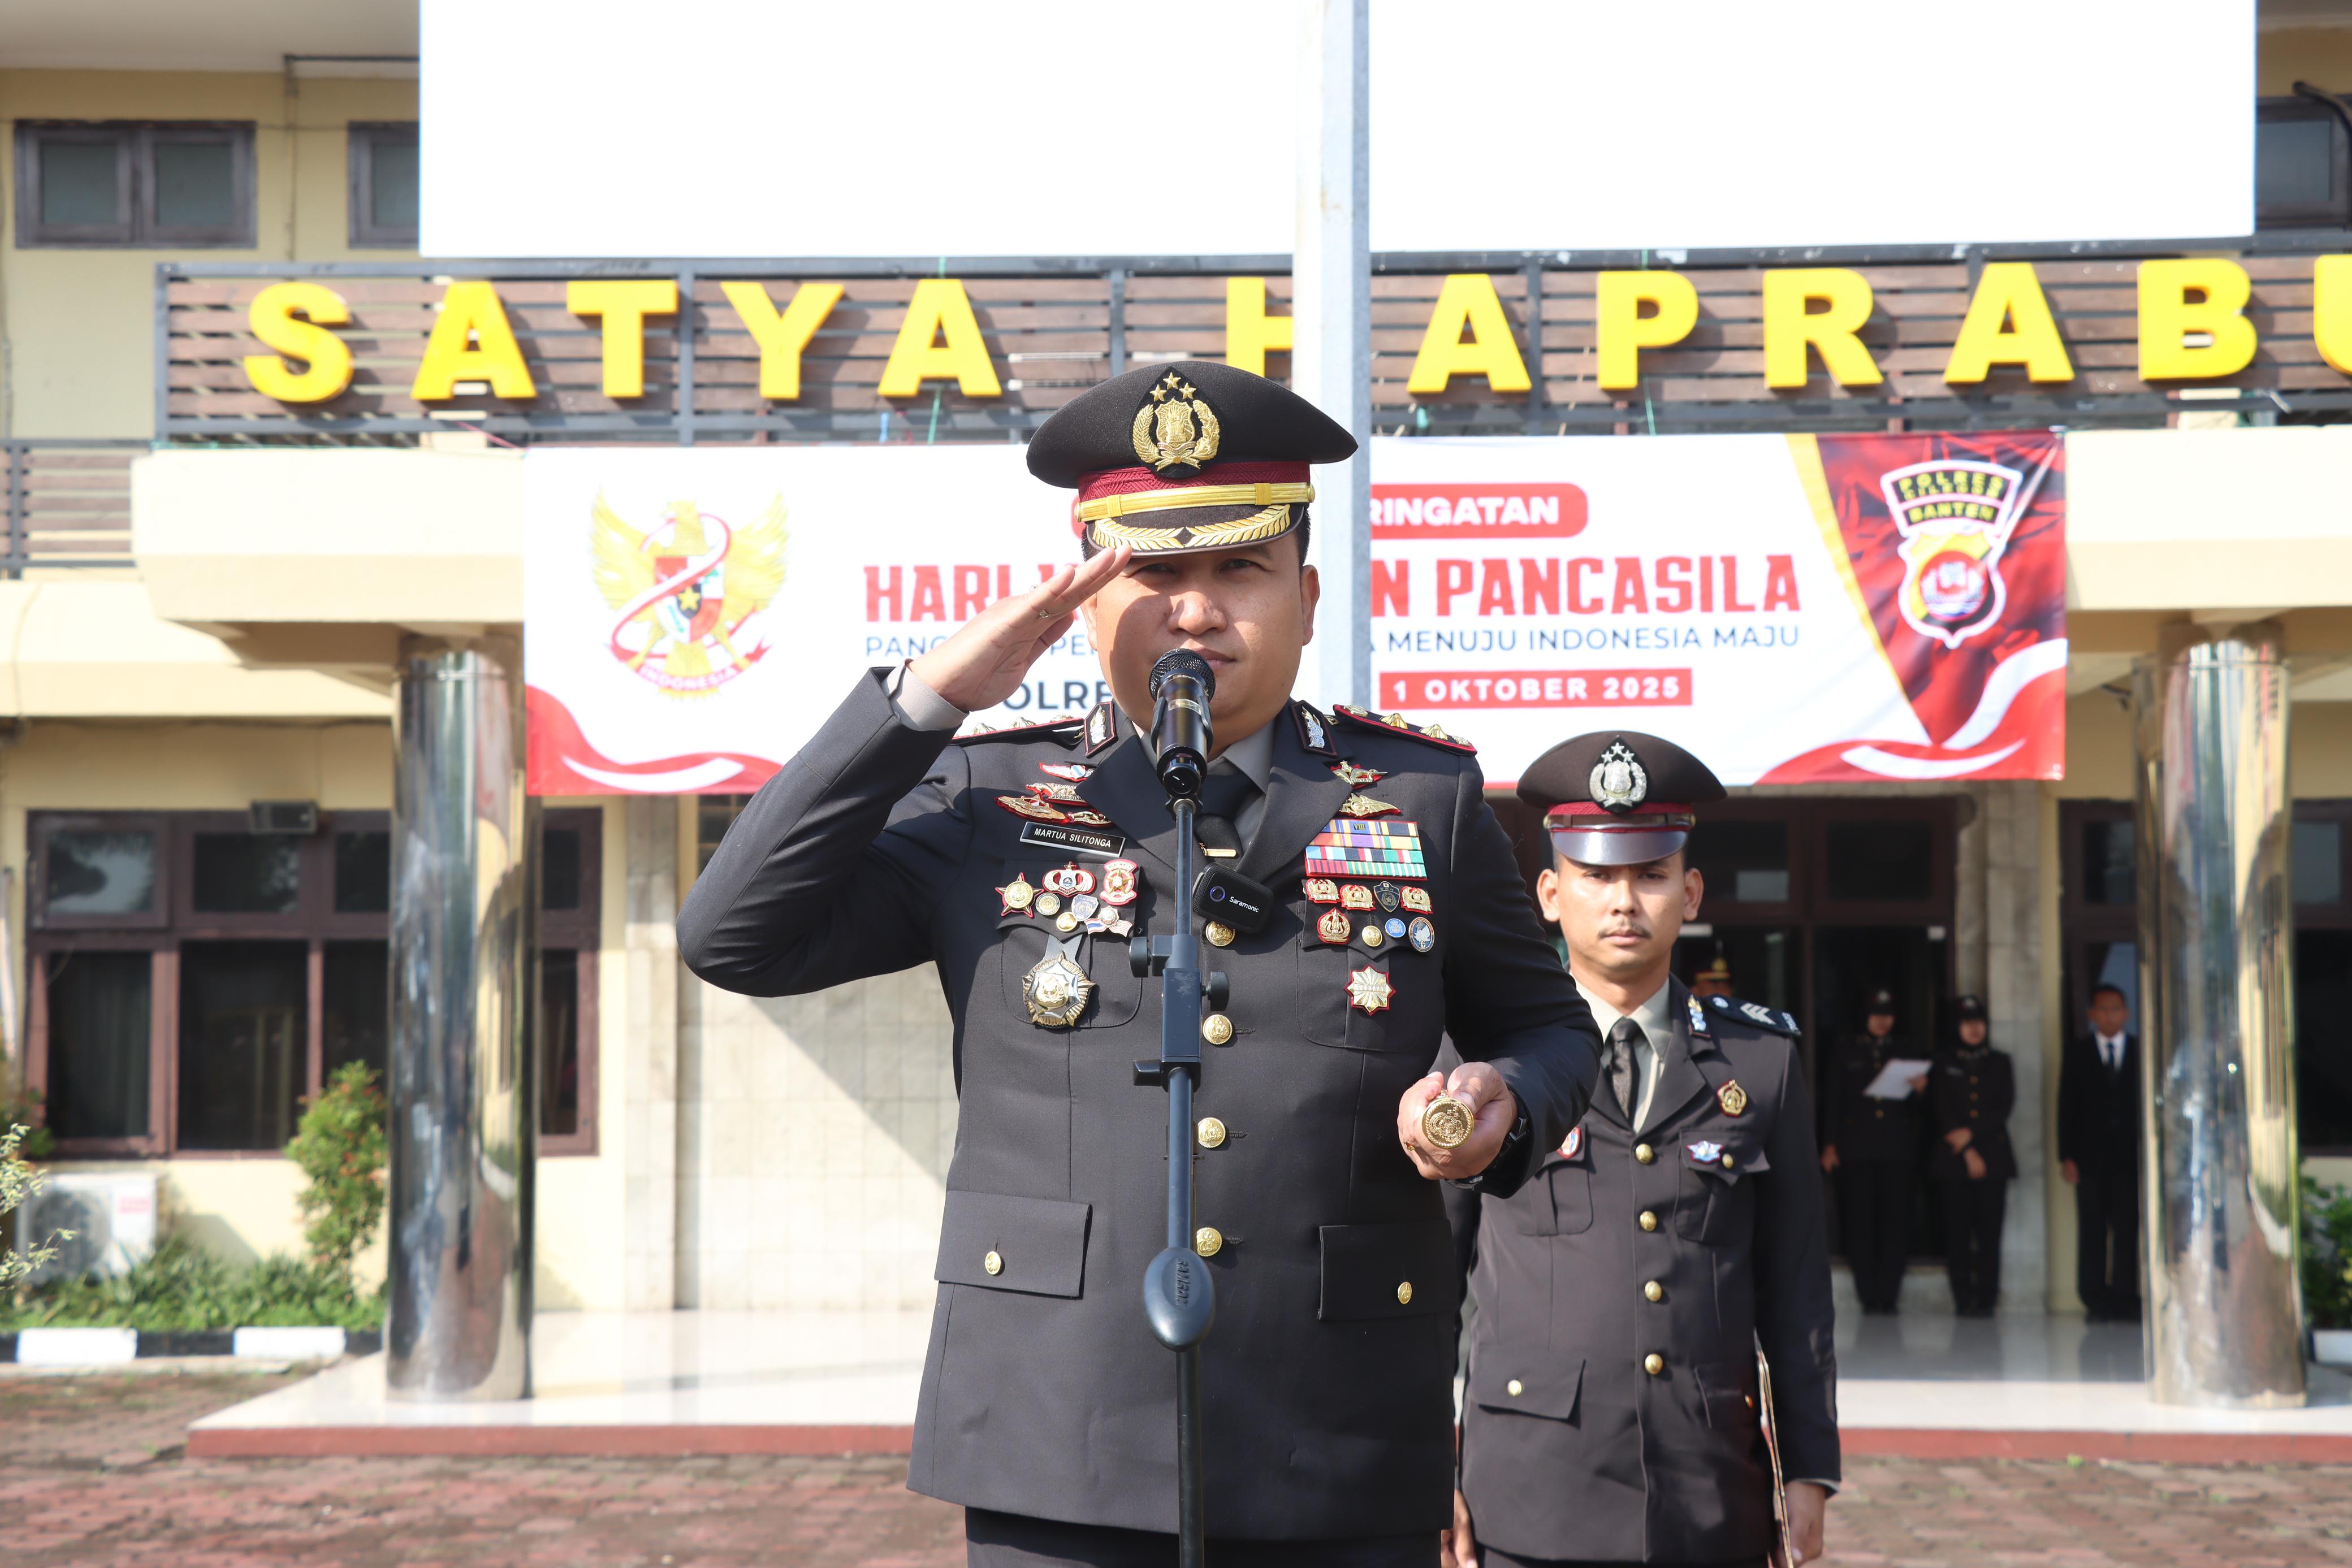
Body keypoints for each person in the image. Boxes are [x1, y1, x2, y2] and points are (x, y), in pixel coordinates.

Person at [678, 359, 1600, 1568]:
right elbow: (733, 934)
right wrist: (925, 701)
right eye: (1152, 574)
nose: (1195, 612)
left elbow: (1550, 1030)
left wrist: (1504, 1099)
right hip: (1055, 1425)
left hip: (1336, 1429)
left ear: (1308, 595)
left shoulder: (1422, 796)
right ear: (1085, 603)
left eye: (1240, 569)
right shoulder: (986, 795)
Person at [1441, 730, 1838, 1568]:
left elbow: (1796, 1288)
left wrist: (1809, 1465)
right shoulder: (1482, 1064)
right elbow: (1427, 1276)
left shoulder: (1761, 1062)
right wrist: (1428, 1464)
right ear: (1550, 894)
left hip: (1708, 1489)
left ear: (1690, 893)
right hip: (1532, 1492)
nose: (1623, 901)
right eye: (1596, 875)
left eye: (1650, 875)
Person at [1818, 989, 1925, 1315]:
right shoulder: (1846, 1049)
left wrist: (1922, 1091)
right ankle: (1868, 1295)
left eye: (1888, 1016)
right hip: (1856, 1148)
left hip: (1897, 1149)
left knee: (1895, 1222)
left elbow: (1923, 1112)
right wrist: (1829, 1144)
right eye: (1877, 1015)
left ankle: (1889, 1295)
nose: (1882, 1022)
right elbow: (1833, 1100)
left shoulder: (1906, 1050)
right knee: (1860, 1222)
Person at [2058, 983, 2141, 1323]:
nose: (2109, 1016)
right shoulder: (2078, 1053)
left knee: (2127, 1228)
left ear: (2126, 1014)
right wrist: (2067, 1156)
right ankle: (2094, 1298)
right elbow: (2066, 1106)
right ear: (2092, 1014)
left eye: (2115, 1009)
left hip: (2130, 1160)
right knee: (2092, 1229)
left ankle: (2125, 1296)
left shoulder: (2139, 1051)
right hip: (2089, 1160)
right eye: (2103, 1010)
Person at [1928, 995, 2014, 1318]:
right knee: (1958, 1233)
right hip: (1952, 1160)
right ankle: (1963, 1298)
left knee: (1990, 1234)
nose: (1974, 1029)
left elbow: (2003, 1106)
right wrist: (1966, 1147)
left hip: (1994, 1158)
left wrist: (1972, 1135)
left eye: (1979, 1022)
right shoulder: (1942, 1062)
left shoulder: (2000, 1062)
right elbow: (1941, 1106)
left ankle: (1987, 1298)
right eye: (1967, 1023)